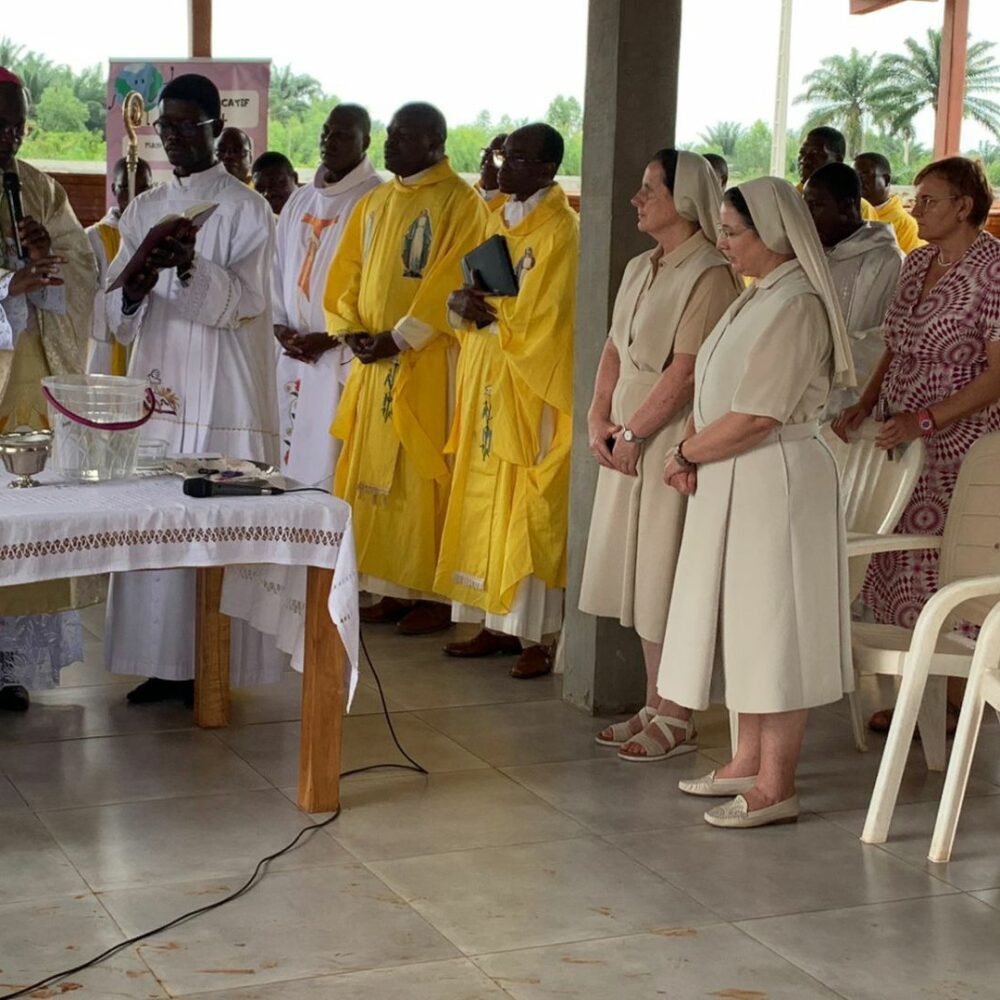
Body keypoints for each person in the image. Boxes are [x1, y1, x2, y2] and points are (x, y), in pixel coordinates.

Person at [657, 177, 855, 828]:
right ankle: (745, 759)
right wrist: (690, 445)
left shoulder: (795, 302)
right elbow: (715, 393)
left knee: (777, 627)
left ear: (772, 233)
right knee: (746, 622)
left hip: (778, 479)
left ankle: (777, 784)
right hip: (740, 475)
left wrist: (687, 454)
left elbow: (758, 415)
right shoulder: (759, 296)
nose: (723, 242)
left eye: (734, 232)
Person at [104, 73, 282, 704]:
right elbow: (112, 309)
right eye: (166, 125)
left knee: (216, 523)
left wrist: (191, 266)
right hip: (159, 381)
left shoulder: (247, 208)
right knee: (160, 519)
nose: (173, 137)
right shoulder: (145, 209)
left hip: (224, 385)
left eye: (186, 125)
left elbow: (252, 299)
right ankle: (164, 661)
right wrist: (136, 283)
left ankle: (217, 662)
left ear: (216, 131)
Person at [579, 150, 741, 750]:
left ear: (686, 199)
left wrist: (636, 432)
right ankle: (654, 702)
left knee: (666, 574)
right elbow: (614, 349)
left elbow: (687, 370)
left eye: (650, 189)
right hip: (627, 429)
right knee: (639, 574)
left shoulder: (710, 273)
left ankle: (677, 710)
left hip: (667, 436)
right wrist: (598, 417)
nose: (637, 199)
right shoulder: (638, 266)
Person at [833, 157, 1000, 733]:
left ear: (964, 205)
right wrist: (866, 400)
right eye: (916, 198)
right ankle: (916, 690)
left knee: (944, 560)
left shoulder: (994, 269)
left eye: (929, 199)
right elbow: (894, 346)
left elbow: (997, 375)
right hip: (902, 432)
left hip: (960, 439)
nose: (915, 208)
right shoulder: (920, 261)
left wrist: (925, 418)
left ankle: (957, 696)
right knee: (899, 558)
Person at [324, 102, 487, 635]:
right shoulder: (376, 200)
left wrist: (400, 337)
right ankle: (390, 583)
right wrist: (349, 325)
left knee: (419, 473)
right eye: (390, 134)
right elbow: (348, 270)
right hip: (375, 358)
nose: (390, 144)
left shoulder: (461, 202)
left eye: (403, 135)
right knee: (374, 473)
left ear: (436, 142)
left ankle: (431, 594)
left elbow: (450, 280)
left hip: (425, 360)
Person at [437, 124, 579, 679]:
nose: (504, 166)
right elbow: (471, 288)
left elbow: (554, 318)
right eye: (503, 155)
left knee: (527, 502)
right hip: (488, 377)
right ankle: (492, 621)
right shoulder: (498, 218)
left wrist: (490, 314)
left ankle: (537, 634)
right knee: (481, 492)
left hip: (531, 388)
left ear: (547, 170)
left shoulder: (562, 233)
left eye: (518, 159)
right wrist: (460, 303)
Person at [0, 69, 98, 711]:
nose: (12, 134)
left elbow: (82, 274)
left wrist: (46, 269)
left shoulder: (38, 187)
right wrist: (8, 285)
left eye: (19, 121)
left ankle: (7, 665)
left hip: (27, 382)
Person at [274, 104, 381, 486]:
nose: (328, 141)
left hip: (339, 359)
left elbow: (376, 286)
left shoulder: (376, 200)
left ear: (365, 141)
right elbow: (278, 265)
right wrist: (279, 324)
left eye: (341, 134)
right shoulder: (301, 200)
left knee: (330, 471)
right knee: (288, 464)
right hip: (295, 355)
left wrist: (334, 336)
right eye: (325, 132)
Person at [803, 162, 902, 414]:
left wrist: (820, 358)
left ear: (847, 206)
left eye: (815, 206)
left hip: (852, 401)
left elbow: (883, 340)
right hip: (806, 388)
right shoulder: (813, 253)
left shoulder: (887, 261)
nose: (806, 216)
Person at [86, 156, 153, 374]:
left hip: (148, 338)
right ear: (114, 188)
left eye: (144, 188)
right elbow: (82, 291)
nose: (135, 195)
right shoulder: (94, 237)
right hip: (105, 342)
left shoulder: (158, 234)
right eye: (126, 187)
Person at [797, 126, 877, 222]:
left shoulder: (861, 208)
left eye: (816, 153)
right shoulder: (787, 199)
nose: (805, 160)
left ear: (838, 160)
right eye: (802, 153)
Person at [854, 151, 925, 254]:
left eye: (865, 176)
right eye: (854, 177)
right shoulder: (850, 214)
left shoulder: (906, 225)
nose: (858, 183)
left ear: (886, 179)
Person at [251, 151, 298, 216]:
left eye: (276, 184)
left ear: (295, 179)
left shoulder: (312, 210)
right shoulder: (255, 216)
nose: (268, 193)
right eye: (260, 188)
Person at [474, 132, 508, 211]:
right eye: (486, 153)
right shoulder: (466, 194)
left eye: (498, 156)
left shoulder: (511, 205)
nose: (487, 161)